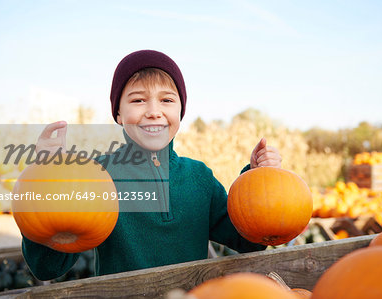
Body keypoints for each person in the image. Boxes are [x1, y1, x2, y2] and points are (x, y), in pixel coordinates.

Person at [22, 50, 282, 280]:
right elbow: (47, 267)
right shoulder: (97, 178)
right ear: (118, 114)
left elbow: (248, 240)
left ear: (180, 111)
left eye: (167, 100)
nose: (154, 111)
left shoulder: (200, 178)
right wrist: (49, 178)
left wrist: (259, 181)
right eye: (138, 100)